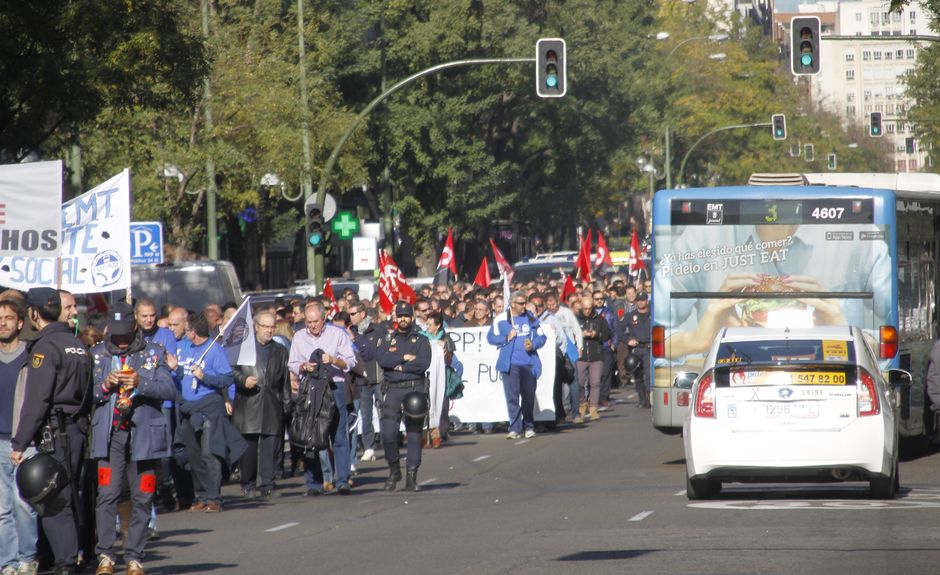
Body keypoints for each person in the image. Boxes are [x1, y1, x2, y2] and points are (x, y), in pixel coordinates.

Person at [10, 288, 93, 575]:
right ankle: (75, 555)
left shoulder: (44, 348)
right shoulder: (77, 344)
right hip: (77, 430)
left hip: (54, 433)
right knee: (70, 495)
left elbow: (37, 400)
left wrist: (19, 442)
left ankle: (65, 563)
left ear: (33, 314)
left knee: (52, 499)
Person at [89, 302, 176, 575]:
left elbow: (170, 390)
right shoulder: (98, 355)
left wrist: (141, 383)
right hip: (110, 435)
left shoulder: (153, 353)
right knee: (107, 495)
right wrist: (105, 386)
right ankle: (105, 555)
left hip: (143, 437)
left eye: (126, 333)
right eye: (116, 334)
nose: (121, 340)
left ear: (135, 326)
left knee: (143, 496)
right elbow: (84, 395)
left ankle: (135, 557)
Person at [176, 312, 246, 513]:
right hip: (189, 408)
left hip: (209, 408)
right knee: (194, 454)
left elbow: (226, 379)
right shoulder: (186, 347)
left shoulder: (214, 350)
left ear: (194, 332)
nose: (185, 333)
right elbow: (184, 374)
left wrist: (205, 376)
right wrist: (176, 369)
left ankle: (214, 498)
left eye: (187, 330)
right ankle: (201, 495)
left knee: (210, 452)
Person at [288, 301, 356, 496]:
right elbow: (292, 364)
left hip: (334, 387)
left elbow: (350, 362)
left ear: (324, 318)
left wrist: (333, 360)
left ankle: (342, 480)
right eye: (308, 322)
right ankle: (314, 483)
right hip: (310, 389)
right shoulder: (299, 337)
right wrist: (303, 366)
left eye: (315, 321)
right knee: (311, 436)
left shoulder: (337, 334)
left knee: (339, 435)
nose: (312, 325)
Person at [232, 311, 291, 499]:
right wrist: (243, 380)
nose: (269, 330)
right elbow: (231, 370)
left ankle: (268, 483)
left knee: (270, 446)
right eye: (265, 326)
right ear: (256, 327)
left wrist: (287, 403)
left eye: (272, 327)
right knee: (248, 449)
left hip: (272, 402)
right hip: (249, 402)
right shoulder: (243, 348)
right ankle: (248, 483)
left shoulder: (280, 350)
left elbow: (285, 380)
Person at [375, 301, 432, 491]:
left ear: (412, 317)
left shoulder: (421, 340)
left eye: (406, 316)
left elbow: (423, 364)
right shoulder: (388, 338)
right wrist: (403, 358)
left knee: (414, 433)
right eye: (400, 316)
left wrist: (399, 366)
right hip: (392, 389)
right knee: (388, 433)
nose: (403, 319)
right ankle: (394, 470)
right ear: (395, 318)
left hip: (414, 388)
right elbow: (383, 359)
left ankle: (411, 477)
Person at [0, 299, 38, 575]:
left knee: (23, 505)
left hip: (24, 443)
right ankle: (8, 562)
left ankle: (28, 558)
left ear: (20, 323)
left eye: (9, 318)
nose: (3, 323)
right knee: (2, 510)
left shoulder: (32, 356)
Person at [487, 291, 547, 440]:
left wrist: (533, 344)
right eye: (521, 303)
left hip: (528, 363)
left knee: (528, 397)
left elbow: (542, 337)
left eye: (525, 302)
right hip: (510, 364)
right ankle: (514, 428)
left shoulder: (531, 318)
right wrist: (505, 337)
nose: (524, 306)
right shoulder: (501, 319)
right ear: (512, 304)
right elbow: (491, 337)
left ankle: (529, 426)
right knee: (512, 397)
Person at [348, 304, 384, 463]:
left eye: (354, 313)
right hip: (363, 382)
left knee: (384, 413)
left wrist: (356, 339)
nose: (351, 317)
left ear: (362, 314)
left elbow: (371, 352)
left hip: (379, 379)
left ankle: (389, 442)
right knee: (366, 415)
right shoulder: (351, 332)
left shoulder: (376, 330)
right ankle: (369, 447)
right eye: (349, 314)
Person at [576, 292, 611, 422]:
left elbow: (607, 334)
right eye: (584, 309)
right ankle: (582, 403)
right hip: (581, 355)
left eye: (589, 309)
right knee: (579, 383)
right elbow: (570, 334)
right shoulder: (576, 318)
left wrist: (597, 334)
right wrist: (580, 334)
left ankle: (593, 408)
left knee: (595, 383)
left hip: (596, 355)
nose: (586, 311)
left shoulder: (600, 319)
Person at [623, 292, 652, 408]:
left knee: (649, 374)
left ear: (646, 301)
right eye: (638, 300)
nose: (640, 302)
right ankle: (641, 399)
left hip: (649, 348)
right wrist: (628, 339)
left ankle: (650, 399)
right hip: (636, 349)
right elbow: (619, 330)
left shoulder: (653, 315)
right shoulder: (630, 316)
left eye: (643, 300)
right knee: (638, 375)